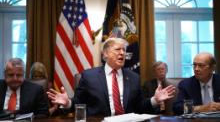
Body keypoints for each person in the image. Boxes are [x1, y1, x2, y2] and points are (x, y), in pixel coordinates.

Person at [47, 38, 175, 116]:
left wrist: (154, 100)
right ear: (105, 54)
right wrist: (68, 102)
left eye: (124, 50)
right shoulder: (89, 76)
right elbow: (79, 104)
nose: (122, 53)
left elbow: (139, 106)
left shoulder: (134, 77)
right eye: (118, 50)